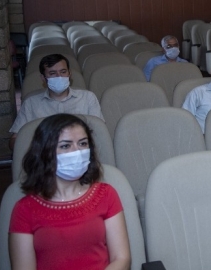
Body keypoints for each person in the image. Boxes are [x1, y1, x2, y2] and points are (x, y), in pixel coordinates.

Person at [9, 114, 130, 269]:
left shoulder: (106, 195)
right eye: (66, 146)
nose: (77, 152)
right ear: (45, 152)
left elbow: (121, 259)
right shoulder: (25, 209)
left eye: (83, 143)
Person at [9, 53, 104, 150]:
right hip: (45, 154)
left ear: (69, 74)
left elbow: (99, 133)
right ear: (43, 78)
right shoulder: (30, 104)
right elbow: (14, 140)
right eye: (52, 73)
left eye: (63, 72)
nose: (59, 76)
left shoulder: (88, 98)